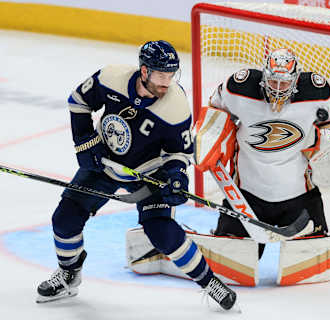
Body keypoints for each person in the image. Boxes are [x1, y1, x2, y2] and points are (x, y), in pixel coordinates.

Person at [36, 40, 237, 310]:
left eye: (171, 74)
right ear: (144, 71)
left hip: (148, 174)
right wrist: (85, 144)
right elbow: (78, 100)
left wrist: (176, 176)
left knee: (162, 232)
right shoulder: (111, 78)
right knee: (64, 219)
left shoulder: (176, 106)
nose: (167, 82)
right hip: (103, 164)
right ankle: (69, 274)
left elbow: (180, 152)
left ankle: (209, 281)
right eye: (161, 75)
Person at [206, 48, 330, 257]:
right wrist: (210, 143)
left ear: (296, 80)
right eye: (273, 82)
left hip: (300, 196)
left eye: (285, 83)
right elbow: (212, 116)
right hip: (245, 197)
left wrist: (324, 147)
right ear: (264, 76)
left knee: (312, 259)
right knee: (230, 260)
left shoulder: (318, 92)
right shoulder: (238, 87)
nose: (279, 89)